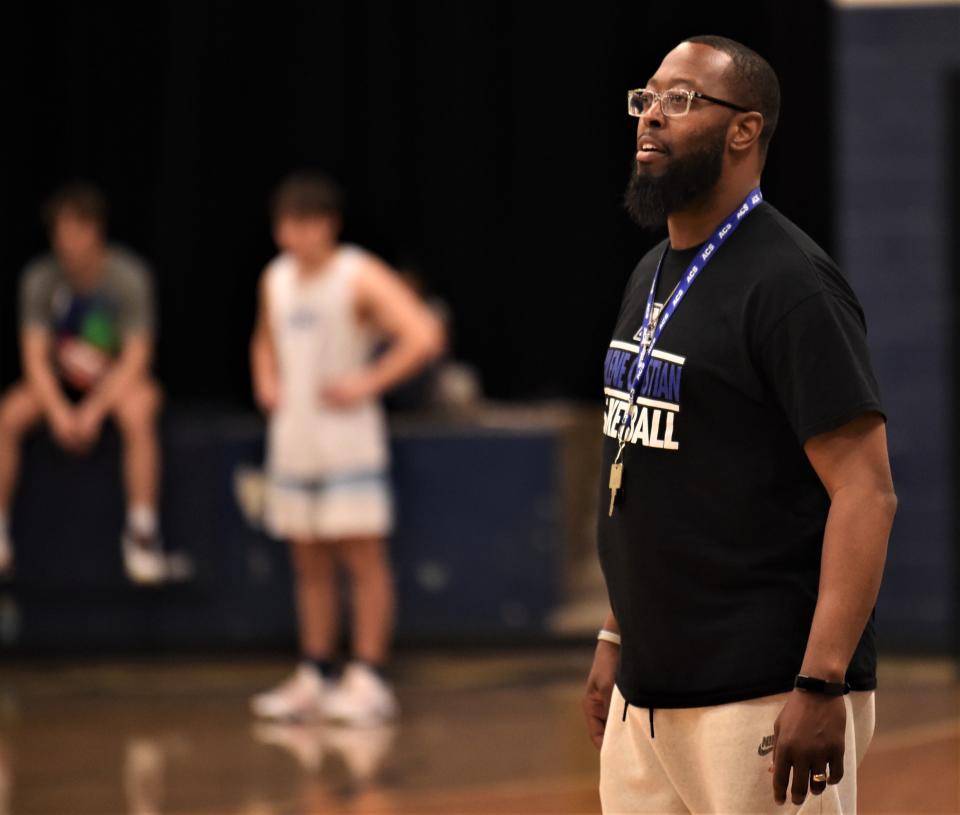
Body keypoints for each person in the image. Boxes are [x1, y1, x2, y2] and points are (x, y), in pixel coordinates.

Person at [582, 36, 896, 813]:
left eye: (680, 99)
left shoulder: (793, 286)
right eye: (647, 97)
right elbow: (644, 465)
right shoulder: (651, 274)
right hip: (646, 690)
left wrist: (821, 681)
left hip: (761, 694)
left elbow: (866, 492)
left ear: (744, 129)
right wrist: (617, 635)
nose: (651, 115)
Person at [249, 172, 444, 725]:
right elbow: (263, 340)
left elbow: (423, 333)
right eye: (285, 226)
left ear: (327, 226)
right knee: (306, 558)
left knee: (362, 558)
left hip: (348, 437)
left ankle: (370, 675)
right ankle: (315, 672)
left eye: (304, 225)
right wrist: (265, 379)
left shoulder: (356, 273)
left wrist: (368, 381)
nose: (293, 237)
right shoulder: (276, 278)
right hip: (294, 437)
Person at [0, 182, 176, 584]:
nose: (68, 242)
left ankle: (142, 534)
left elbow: (136, 358)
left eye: (77, 230)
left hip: (113, 384)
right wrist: (61, 412)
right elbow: (35, 358)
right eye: (60, 232)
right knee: (8, 414)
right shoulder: (40, 279)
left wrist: (93, 411)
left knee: (139, 409)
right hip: (59, 386)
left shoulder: (128, 276)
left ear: (97, 231)